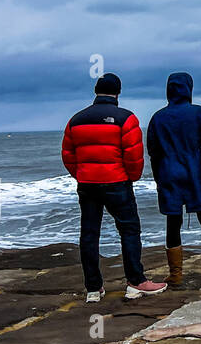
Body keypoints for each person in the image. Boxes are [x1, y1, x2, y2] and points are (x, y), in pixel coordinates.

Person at [61, 73, 168, 302]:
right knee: (129, 230)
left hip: (87, 184)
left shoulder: (76, 120)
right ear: (118, 92)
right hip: (117, 182)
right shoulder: (125, 118)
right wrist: (132, 177)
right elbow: (134, 155)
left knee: (89, 234)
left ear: (96, 91)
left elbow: (68, 155)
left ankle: (93, 288)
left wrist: (80, 174)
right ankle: (136, 282)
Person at [147, 71, 201, 283]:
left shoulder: (157, 118)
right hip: (195, 174)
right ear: (189, 89)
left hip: (168, 174)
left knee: (173, 223)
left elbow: (153, 152)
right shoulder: (198, 112)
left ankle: (175, 275)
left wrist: (158, 179)